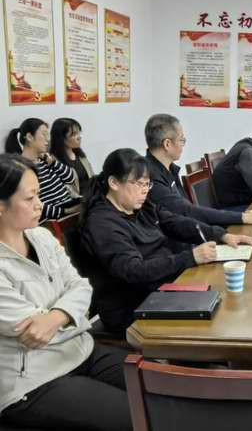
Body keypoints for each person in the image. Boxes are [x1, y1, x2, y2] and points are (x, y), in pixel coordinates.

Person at [0, 154, 132, 430]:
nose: (40, 204)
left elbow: (81, 286)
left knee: (158, 388)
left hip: (80, 349)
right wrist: (71, 314)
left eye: (39, 194)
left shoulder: (41, 237)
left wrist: (56, 316)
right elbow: (33, 332)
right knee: (134, 417)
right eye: (30, 198)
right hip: (33, 378)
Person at [81, 149, 252, 335]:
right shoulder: (102, 223)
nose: (144, 190)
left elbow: (175, 222)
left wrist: (220, 235)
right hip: (134, 306)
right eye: (138, 184)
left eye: (147, 184)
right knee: (221, 314)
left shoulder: (140, 207)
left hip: (163, 286)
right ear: (114, 183)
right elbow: (134, 270)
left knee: (230, 295)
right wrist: (190, 257)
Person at [144, 114, 252, 225]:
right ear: (167, 144)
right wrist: (243, 218)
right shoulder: (149, 177)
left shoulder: (170, 169)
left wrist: (220, 235)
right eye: (181, 140)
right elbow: (186, 211)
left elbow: (187, 213)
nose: (183, 145)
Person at [5, 118, 80, 223]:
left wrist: (53, 162)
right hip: (53, 220)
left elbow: (70, 178)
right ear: (29, 137)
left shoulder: (46, 160)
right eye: (44, 134)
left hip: (69, 209)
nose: (48, 140)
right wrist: (66, 211)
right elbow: (32, 204)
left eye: (48, 135)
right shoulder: (21, 168)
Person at [50, 117, 95, 197]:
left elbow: (93, 178)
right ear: (61, 138)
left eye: (79, 133)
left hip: (92, 197)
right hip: (77, 201)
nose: (79, 137)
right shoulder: (54, 162)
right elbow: (65, 190)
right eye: (74, 134)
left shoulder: (80, 156)